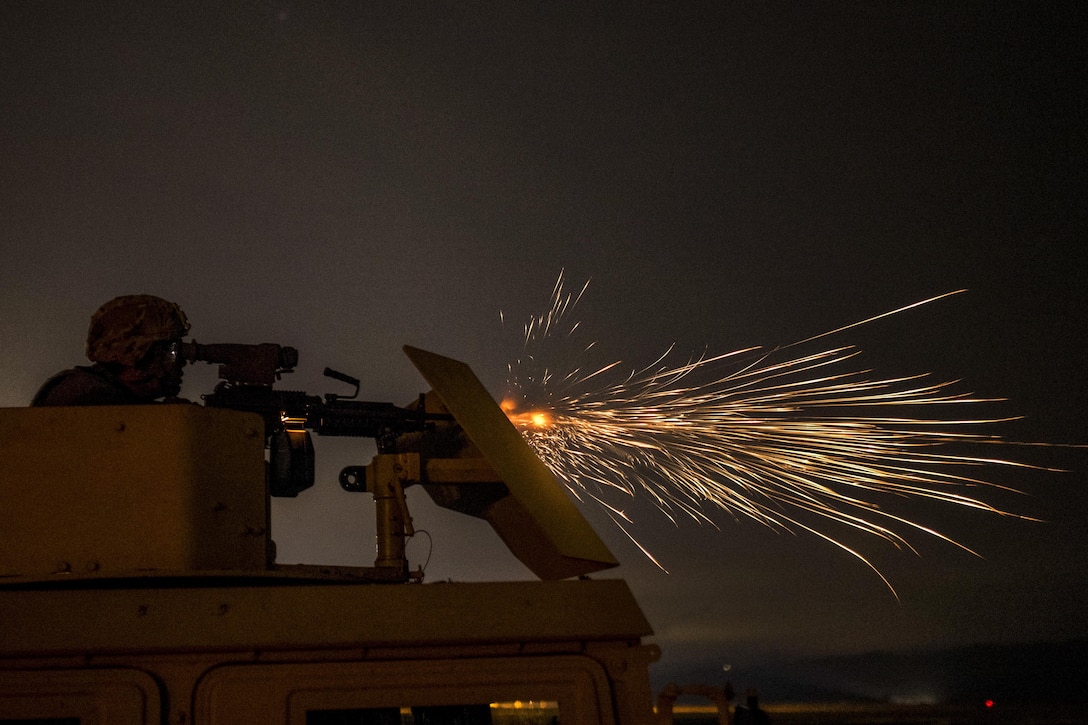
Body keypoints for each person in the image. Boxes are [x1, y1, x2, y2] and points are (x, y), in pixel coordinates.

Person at [32, 294, 191, 406]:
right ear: (136, 361)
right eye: (169, 352)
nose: (180, 363)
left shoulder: (109, 395)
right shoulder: (86, 395)